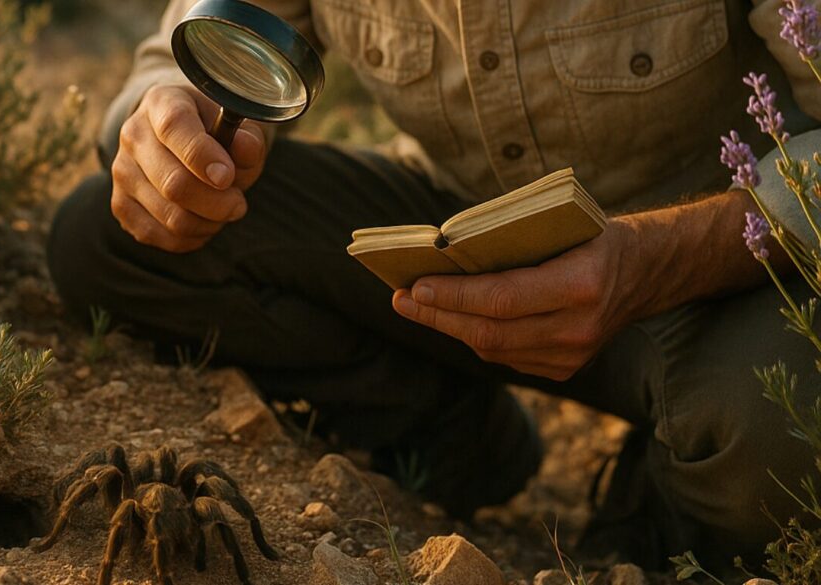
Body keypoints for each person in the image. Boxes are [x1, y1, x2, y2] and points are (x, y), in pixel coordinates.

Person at [48, 0, 821, 567]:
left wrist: (653, 259)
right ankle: (457, 434)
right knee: (110, 239)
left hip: (723, 269)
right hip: (454, 240)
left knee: (785, 441)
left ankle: (661, 488)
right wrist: (165, 126)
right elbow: (185, 50)